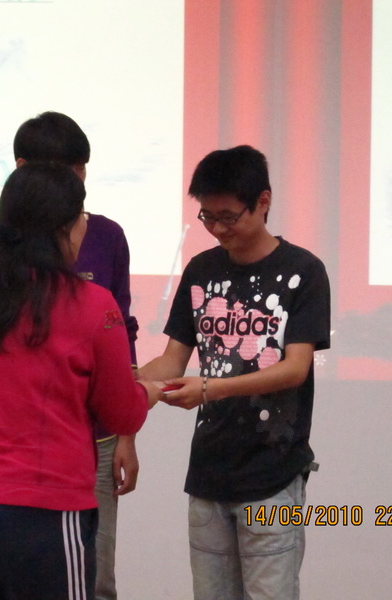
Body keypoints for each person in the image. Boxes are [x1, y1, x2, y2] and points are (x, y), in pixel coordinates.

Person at [0, 162, 161, 600]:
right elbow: (120, 412)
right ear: (65, 227)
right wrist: (145, 393)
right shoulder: (92, 303)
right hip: (43, 510)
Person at [138, 146, 331, 600]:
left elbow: (295, 369)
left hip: (273, 474)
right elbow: (172, 361)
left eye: (228, 217)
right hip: (208, 472)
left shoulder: (303, 271)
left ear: (263, 201)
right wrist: (128, 381)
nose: (218, 229)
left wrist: (210, 388)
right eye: (207, 217)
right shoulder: (201, 270)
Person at [0, 111, 138, 600]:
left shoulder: (106, 236)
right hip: (8, 444)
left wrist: (126, 436)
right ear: (22, 170)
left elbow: (123, 331)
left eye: (80, 170)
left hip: (94, 437)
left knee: (94, 577)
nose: (74, 183)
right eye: (62, 171)